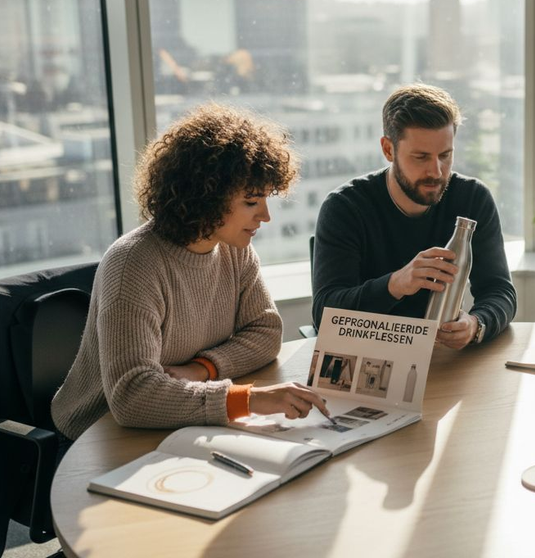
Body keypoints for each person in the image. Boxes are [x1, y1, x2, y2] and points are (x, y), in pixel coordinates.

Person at [52, 103, 329, 443]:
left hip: (179, 423)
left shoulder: (234, 249)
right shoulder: (133, 264)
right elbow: (132, 396)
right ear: (207, 196)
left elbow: (265, 331)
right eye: (251, 202)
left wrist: (203, 369)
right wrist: (248, 400)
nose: (265, 216)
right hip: (99, 437)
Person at [311, 84, 516, 349]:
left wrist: (476, 325)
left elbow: (500, 292)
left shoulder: (473, 198)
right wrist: (396, 284)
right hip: (369, 355)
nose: (436, 171)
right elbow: (324, 313)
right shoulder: (345, 207)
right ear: (388, 149)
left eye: (445, 155)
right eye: (421, 157)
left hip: (441, 356)